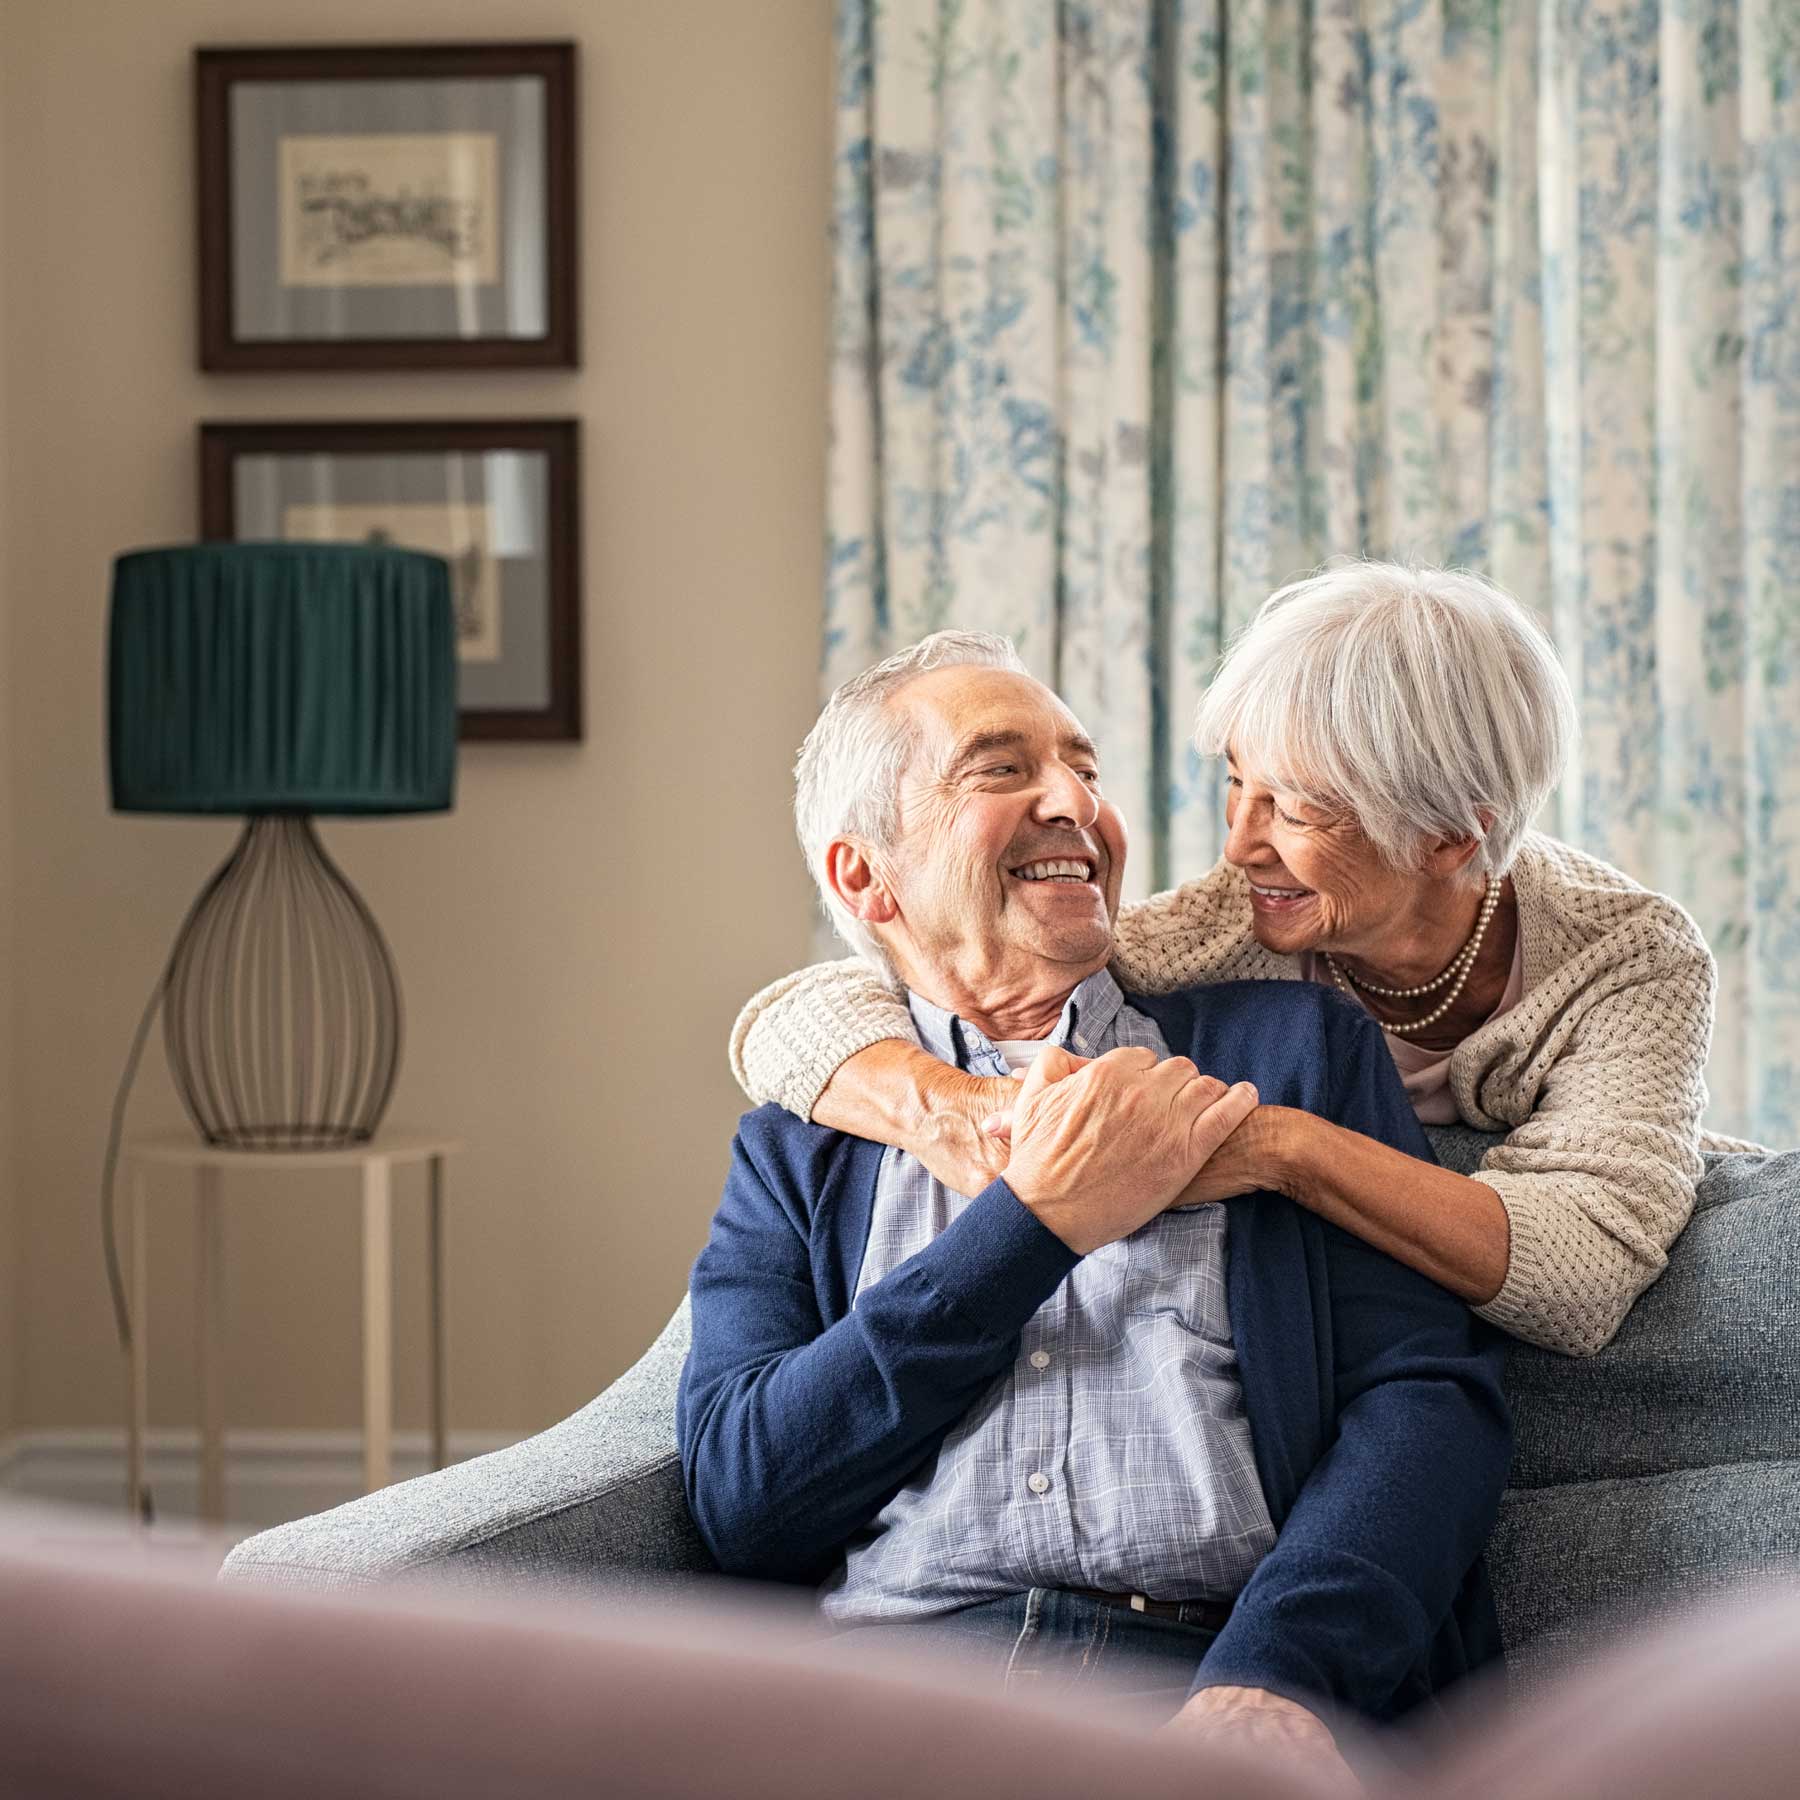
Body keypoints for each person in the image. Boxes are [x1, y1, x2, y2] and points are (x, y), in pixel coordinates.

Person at [679, 636, 1511, 1789]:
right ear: (868, 877)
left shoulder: (1287, 1056)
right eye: (1000, 770)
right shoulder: (802, 1141)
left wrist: (1278, 1678)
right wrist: (1035, 1225)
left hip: (1199, 1677)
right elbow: (744, 1497)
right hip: (894, 1703)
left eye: (1086, 769)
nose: (1075, 803)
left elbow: (1428, 1406)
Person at [730, 563, 1719, 1357]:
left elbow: (1583, 1276)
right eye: (1237, 786)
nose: (1241, 846)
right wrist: (952, 1108)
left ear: (1451, 837)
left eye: (1291, 808)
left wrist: (1280, 1149)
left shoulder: (1627, 960)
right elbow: (808, 1011)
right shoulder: (1226, 925)